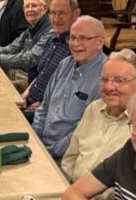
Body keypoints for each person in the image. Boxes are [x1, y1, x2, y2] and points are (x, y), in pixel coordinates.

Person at [59, 50, 136, 200]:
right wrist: (66, 191)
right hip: (69, 196)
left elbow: (132, 188)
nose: (109, 87)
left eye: (119, 80)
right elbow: (70, 157)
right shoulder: (93, 108)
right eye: (104, 79)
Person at [32, 16, 106, 160]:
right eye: (72, 38)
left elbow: (83, 132)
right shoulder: (64, 64)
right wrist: (35, 138)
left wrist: (49, 152)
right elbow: (44, 107)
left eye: (82, 38)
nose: (75, 44)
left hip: (67, 157)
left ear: (99, 42)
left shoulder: (107, 77)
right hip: (42, 146)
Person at [21, 0, 80, 116]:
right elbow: (41, 75)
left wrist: (42, 104)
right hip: (30, 101)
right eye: (53, 13)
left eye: (62, 13)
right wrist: (23, 97)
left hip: (47, 111)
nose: (56, 19)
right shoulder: (51, 39)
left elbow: (69, 91)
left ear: (76, 14)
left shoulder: (77, 48)